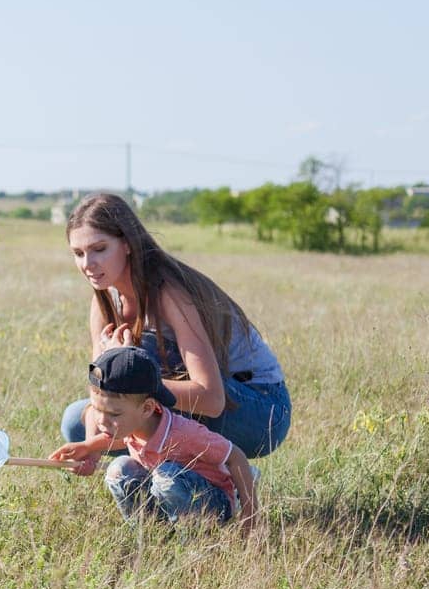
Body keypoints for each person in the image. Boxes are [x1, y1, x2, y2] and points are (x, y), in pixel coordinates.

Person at [58, 192, 290, 458]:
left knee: (139, 355)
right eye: (78, 253)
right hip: (194, 405)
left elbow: (212, 400)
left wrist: (124, 369)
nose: (88, 264)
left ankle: (224, 469)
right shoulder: (104, 301)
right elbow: (101, 393)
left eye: (99, 249)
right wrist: (91, 447)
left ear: (127, 244)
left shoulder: (169, 293)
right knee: (76, 420)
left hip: (260, 410)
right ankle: (174, 475)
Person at [53, 347, 258, 531]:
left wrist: (250, 518)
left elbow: (235, 457)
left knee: (165, 476)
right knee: (119, 469)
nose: (102, 421)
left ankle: (196, 536)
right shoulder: (134, 426)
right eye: (97, 409)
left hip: (212, 503)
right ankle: (153, 532)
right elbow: (119, 439)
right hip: (167, 495)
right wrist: (87, 446)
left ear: (147, 408)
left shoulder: (184, 434)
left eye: (114, 414)